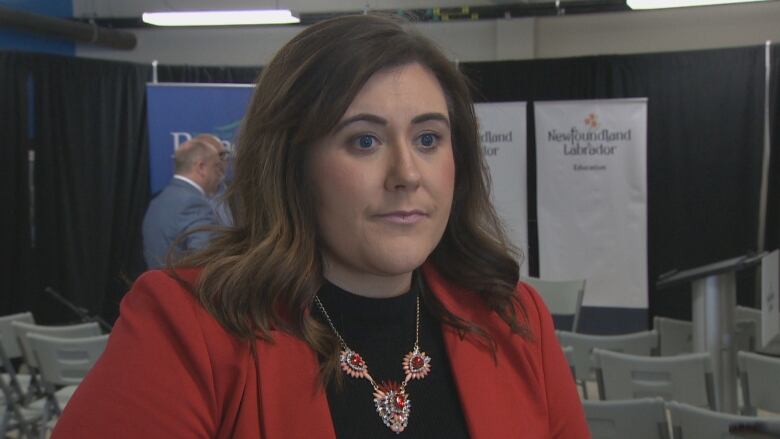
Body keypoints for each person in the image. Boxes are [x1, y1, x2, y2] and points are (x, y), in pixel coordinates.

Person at [53, 15, 589, 438]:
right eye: (364, 140)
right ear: (294, 165)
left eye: (428, 139)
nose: (407, 174)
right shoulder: (188, 327)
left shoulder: (515, 319)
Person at [141, 134, 227, 268]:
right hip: (184, 287)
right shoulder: (194, 204)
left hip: (159, 285)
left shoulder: (157, 202)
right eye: (216, 166)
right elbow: (207, 263)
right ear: (201, 168)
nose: (220, 173)